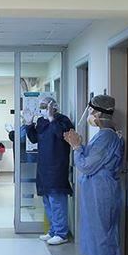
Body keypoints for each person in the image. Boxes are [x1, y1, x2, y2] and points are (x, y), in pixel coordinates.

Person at [63, 95, 124, 255]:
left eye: (91, 111)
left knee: (102, 238)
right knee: (94, 237)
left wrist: (76, 146)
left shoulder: (107, 137)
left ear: (99, 113)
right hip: (95, 192)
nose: (90, 115)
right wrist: (78, 145)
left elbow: (87, 165)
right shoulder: (101, 136)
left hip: (102, 193)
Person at [24, 95, 74, 246]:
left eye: (45, 106)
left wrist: (52, 119)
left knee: (56, 201)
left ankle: (61, 233)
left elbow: (62, 135)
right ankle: (53, 231)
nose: (43, 109)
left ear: (54, 106)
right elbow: (34, 139)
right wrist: (28, 124)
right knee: (47, 201)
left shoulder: (63, 121)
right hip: (43, 167)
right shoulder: (41, 121)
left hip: (57, 167)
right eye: (41, 106)